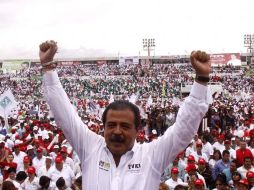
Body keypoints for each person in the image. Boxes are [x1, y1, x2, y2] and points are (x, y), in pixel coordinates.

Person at [39, 40, 211, 190]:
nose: (117, 131)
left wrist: (202, 78)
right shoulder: (90, 147)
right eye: (111, 125)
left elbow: (184, 129)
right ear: (103, 127)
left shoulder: (152, 155)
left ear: (138, 130)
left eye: (125, 126)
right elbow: (65, 116)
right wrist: (47, 67)